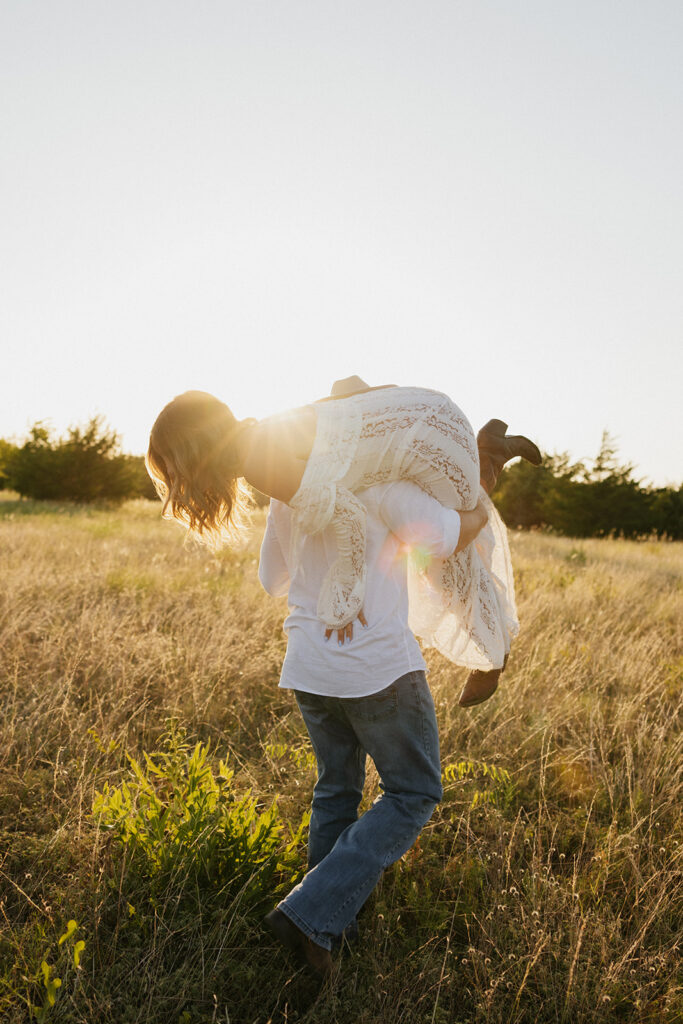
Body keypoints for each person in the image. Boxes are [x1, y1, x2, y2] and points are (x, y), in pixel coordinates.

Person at [146, 380, 540, 706]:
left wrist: (344, 600)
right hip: (428, 416)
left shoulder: (258, 460)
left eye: (172, 467)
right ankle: (486, 452)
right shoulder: (266, 432)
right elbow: (346, 396)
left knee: (448, 546)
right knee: (445, 512)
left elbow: (346, 511)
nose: (175, 482)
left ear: (193, 452)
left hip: (431, 432)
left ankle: (492, 653)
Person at [258, 460, 490, 975]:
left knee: (336, 790)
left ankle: (327, 928)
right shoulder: (383, 477)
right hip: (378, 667)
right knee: (414, 792)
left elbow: (272, 579)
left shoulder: (286, 484)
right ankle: (311, 912)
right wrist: (478, 503)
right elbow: (448, 536)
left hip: (309, 665)